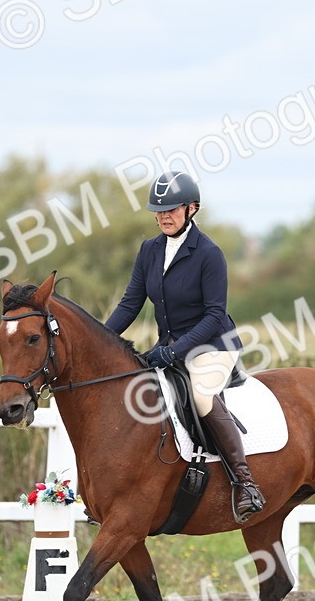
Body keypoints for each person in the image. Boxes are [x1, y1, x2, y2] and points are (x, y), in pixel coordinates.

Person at [104, 171, 265, 523]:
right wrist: (99, 340)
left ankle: (245, 483)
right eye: (158, 211)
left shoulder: (209, 254)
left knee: (202, 395)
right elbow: (130, 303)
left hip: (213, 345)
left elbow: (214, 315)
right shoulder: (149, 250)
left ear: (192, 208)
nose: (164, 216)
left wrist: (174, 351)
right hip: (169, 346)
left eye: (172, 209)